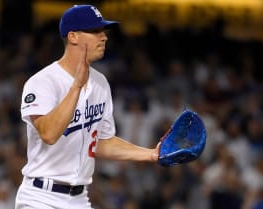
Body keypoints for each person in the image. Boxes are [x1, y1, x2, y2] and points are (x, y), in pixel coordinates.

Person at [14, 4, 160, 209]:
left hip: (80, 198)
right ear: (73, 36)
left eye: (103, 31)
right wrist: (76, 87)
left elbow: (100, 142)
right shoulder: (43, 82)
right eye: (94, 31)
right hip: (41, 197)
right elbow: (48, 134)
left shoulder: (100, 82)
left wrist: (151, 154)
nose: (104, 37)